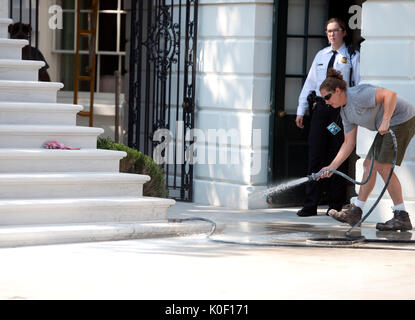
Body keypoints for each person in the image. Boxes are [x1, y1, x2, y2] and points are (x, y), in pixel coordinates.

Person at [318, 69, 415, 231]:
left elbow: (390, 95)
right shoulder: (345, 112)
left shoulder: (357, 95)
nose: (327, 102)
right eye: (324, 99)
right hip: (388, 125)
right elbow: (348, 143)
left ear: (338, 91)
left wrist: (386, 120)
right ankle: (356, 212)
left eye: (327, 97)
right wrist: (331, 167)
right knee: (369, 164)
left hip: (402, 119)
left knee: (383, 167)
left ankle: (401, 216)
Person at [295, 18, 361, 217]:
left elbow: (358, 84)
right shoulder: (321, 55)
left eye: (335, 30)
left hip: (339, 112)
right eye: (328, 31)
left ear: (344, 32)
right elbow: (310, 83)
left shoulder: (352, 56)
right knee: (316, 154)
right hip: (321, 110)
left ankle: (335, 204)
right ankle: (310, 204)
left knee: (337, 154)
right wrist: (301, 109)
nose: (331, 34)